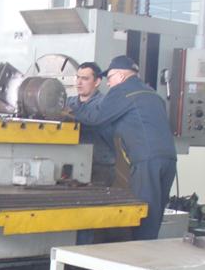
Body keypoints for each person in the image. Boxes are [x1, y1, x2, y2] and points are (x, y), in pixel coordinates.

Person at [68, 55, 176, 240]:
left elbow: (96, 118)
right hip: (169, 159)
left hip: (146, 161)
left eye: (110, 78)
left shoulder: (122, 91)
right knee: (155, 213)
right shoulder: (152, 93)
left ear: (121, 76)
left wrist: (68, 111)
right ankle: (149, 250)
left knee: (143, 212)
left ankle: (139, 254)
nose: (109, 84)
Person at [67, 62, 116, 244]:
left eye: (85, 78)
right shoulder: (70, 102)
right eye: (78, 78)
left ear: (97, 82)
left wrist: (67, 115)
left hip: (99, 166)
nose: (79, 82)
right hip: (74, 165)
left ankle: (82, 252)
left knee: (87, 215)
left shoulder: (105, 104)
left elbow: (94, 120)